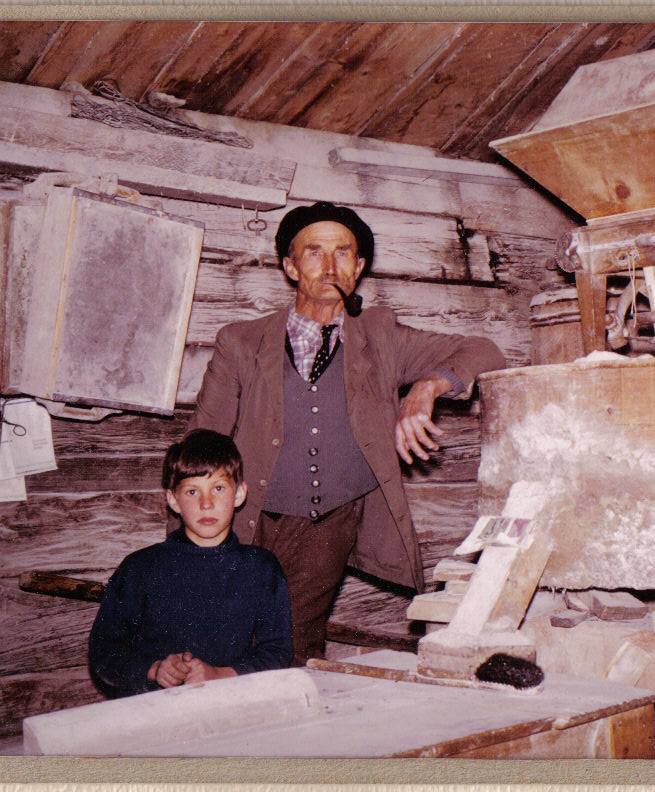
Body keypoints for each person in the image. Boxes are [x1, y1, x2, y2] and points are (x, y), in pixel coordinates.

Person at [188, 200, 506, 666]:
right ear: (290, 267)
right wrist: (186, 545)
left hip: (327, 521)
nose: (330, 265)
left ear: (358, 268)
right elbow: (200, 445)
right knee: (221, 638)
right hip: (243, 517)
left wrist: (426, 387)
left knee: (291, 640)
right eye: (314, 252)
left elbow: (485, 350)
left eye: (343, 253)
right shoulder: (241, 341)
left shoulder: (380, 336)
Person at [88, 429, 292, 697]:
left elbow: (277, 652)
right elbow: (104, 652)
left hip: (231, 699)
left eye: (218, 488)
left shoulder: (261, 568)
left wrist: (221, 675)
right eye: (192, 491)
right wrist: (154, 669)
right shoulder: (140, 568)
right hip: (155, 705)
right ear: (173, 500)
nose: (206, 504)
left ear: (239, 494)